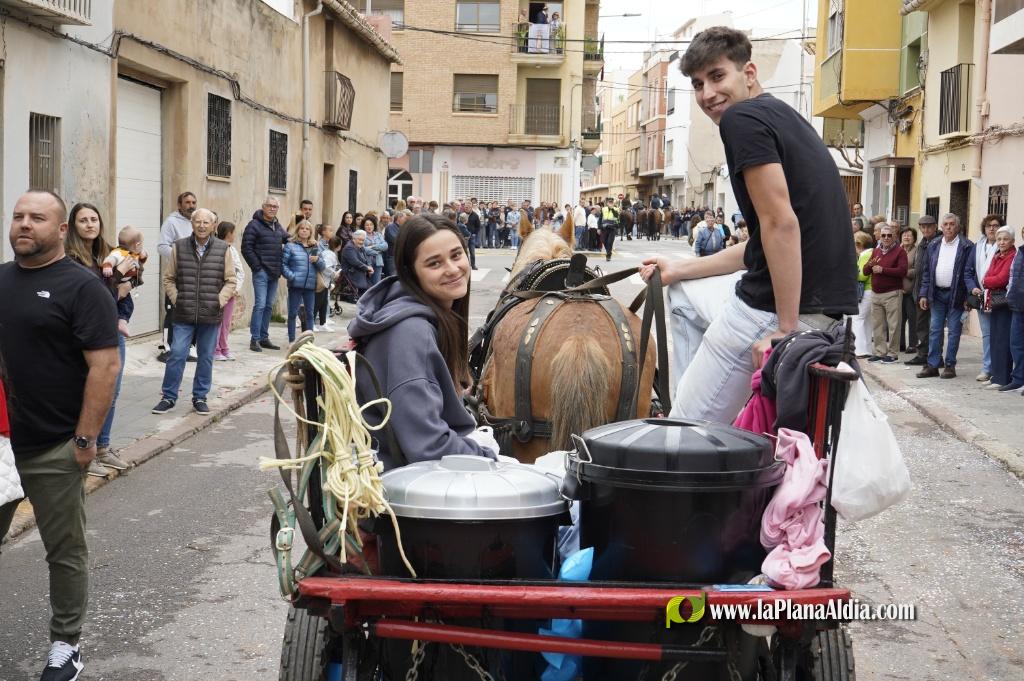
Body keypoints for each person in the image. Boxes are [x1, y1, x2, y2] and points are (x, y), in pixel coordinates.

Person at [640, 26, 857, 423]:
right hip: (824, 309)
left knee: (687, 433)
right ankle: (698, 390)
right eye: (698, 84)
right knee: (683, 294)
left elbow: (780, 225)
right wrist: (678, 268)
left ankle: (690, 412)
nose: (707, 94)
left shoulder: (741, 120)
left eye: (718, 76)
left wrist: (786, 331)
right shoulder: (781, 115)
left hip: (777, 311)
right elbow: (763, 243)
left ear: (749, 73)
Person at [0, 190, 121, 681]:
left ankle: (66, 645)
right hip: (4, 445)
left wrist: (86, 440)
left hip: (55, 444)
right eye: (18, 216)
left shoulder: (83, 287)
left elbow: (105, 366)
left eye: (37, 218)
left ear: (61, 229)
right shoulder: (2, 281)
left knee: (64, 549)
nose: (24, 224)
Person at [347, 213, 497, 470]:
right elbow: (429, 446)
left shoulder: (418, 318)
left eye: (456, 255)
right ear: (411, 272)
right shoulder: (411, 333)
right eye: (434, 263)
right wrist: (489, 456)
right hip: (400, 486)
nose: (452, 269)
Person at [65, 203, 134, 477]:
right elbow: (95, 296)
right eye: (83, 220)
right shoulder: (71, 258)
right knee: (90, 393)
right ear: (73, 226)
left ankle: (103, 446)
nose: (90, 224)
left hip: (112, 330)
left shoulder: (106, 253)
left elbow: (127, 282)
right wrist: (118, 282)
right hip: (90, 334)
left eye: (94, 219)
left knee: (112, 392)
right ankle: (87, 447)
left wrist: (130, 276)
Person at [152, 208, 238, 415]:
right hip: (183, 313)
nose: (201, 226)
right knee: (177, 354)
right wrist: (177, 299)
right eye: (197, 222)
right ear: (192, 224)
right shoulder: (179, 247)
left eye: (205, 222)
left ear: (213, 225)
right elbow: (169, 278)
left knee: (206, 356)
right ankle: (169, 397)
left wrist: (219, 301)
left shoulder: (223, 248)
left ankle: (200, 397)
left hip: (210, 314)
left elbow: (231, 280)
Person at [917, 213, 977, 379]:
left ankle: (950, 365)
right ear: (941, 227)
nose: (949, 227)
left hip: (956, 295)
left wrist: (967, 297)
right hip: (936, 293)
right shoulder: (934, 244)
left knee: (954, 331)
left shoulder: (967, 246)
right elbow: (927, 272)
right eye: (946, 224)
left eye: (952, 224)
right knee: (934, 330)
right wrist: (923, 293)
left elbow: (969, 273)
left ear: (958, 227)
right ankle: (933, 365)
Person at [242, 197, 289, 353]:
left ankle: (264, 337)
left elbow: (287, 239)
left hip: (274, 273)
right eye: (269, 206)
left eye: (275, 207)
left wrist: (307, 240)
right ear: (263, 207)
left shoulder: (277, 225)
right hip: (261, 272)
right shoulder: (254, 225)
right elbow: (246, 248)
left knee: (269, 306)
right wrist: (257, 267)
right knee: (260, 305)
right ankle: (254, 339)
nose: (272, 209)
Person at [157, 191, 197, 360]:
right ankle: (167, 348)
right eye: (187, 202)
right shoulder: (171, 222)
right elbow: (161, 246)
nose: (191, 205)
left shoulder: (198, 222)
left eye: (193, 202)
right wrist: (180, 257)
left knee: (191, 312)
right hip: (176, 275)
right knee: (172, 311)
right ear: (179, 205)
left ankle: (189, 348)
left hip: (194, 275)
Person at [864, 223, 908, 363]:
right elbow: (866, 271)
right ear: (880, 237)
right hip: (876, 293)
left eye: (889, 235)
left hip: (892, 293)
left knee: (893, 325)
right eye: (884, 235)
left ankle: (893, 354)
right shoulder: (876, 251)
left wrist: (883, 270)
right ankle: (880, 352)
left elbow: (902, 271)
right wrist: (870, 265)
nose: (886, 238)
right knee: (877, 325)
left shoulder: (900, 251)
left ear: (895, 236)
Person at [982, 226, 1017, 390]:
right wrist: (989, 280)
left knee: (1003, 340)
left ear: (1012, 241)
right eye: (999, 239)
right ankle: (995, 375)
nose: (1002, 242)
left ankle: (1003, 378)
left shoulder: (1012, 256)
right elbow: (986, 276)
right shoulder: (997, 256)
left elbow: (1001, 279)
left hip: (1004, 302)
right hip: (994, 301)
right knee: (994, 338)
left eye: (1005, 239)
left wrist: (989, 281)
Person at [282, 220, 326, 343]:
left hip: (310, 286)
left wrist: (317, 260)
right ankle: (291, 340)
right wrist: (292, 276)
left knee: (310, 314)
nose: (304, 231)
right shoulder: (290, 245)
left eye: (307, 229)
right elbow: (283, 265)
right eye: (302, 228)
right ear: (298, 230)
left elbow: (322, 267)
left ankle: (308, 342)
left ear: (311, 232)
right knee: (292, 314)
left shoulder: (315, 247)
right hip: (295, 285)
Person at [972, 215, 1003, 382]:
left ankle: (998, 368)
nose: (992, 228)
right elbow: (968, 271)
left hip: (998, 296)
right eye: (989, 226)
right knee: (986, 334)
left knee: (999, 334)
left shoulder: (1003, 247)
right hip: (980, 296)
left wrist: (989, 283)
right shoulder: (977, 247)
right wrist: (972, 287)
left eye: (996, 225)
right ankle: (987, 367)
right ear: (984, 228)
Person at [905, 215, 939, 365]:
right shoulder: (922, 243)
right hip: (918, 291)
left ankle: (935, 357)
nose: (926, 229)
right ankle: (922, 354)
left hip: (932, 291)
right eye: (923, 227)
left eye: (929, 226)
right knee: (921, 326)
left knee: (934, 327)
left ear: (935, 227)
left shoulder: (939, 242)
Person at [214, 221, 245, 360]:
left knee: (226, 322)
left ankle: (224, 348)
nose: (234, 235)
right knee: (217, 322)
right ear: (227, 233)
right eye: (233, 232)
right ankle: (215, 350)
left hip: (231, 292)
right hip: (218, 292)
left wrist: (235, 289)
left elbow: (240, 271)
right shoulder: (215, 248)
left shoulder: (232, 249)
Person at [850, 231, 875, 358]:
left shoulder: (865, 255)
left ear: (859, 244)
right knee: (867, 321)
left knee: (857, 319)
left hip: (866, 290)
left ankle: (859, 350)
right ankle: (868, 350)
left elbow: (862, 276)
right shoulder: (873, 252)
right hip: (873, 290)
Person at [1005, 226, 1024, 394]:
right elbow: (1012, 275)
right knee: (1016, 343)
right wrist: (1010, 294)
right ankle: (1018, 379)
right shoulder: (1021, 252)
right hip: (1018, 304)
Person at [899, 227, 919, 353]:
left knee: (913, 319)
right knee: (899, 320)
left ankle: (913, 345)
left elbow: (918, 270)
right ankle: (900, 344)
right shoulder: (897, 251)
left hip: (911, 292)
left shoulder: (917, 251)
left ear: (914, 239)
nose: (906, 237)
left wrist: (902, 272)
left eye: (909, 235)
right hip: (897, 291)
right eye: (904, 235)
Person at [342, 229, 374, 298]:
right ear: (354, 239)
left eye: (363, 240)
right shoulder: (349, 247)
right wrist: (367, 268)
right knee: (368, 292)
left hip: (360, 272)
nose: (361, 242)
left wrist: (369, 267)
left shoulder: (361, 247)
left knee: (373, 290)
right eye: (360, 240)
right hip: (351, 273)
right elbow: (355, 262)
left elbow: (366, 260)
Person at [362, 215, 387, 285]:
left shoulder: (378, 235)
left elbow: (385, 246)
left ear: (374, 225)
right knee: (368, 284)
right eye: (367, 225)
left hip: (378, 262)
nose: (369, 227)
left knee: (377, 284)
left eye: (371, 225)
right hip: (367, 262)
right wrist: (378, 251)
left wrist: (372, 246)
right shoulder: (362, 235)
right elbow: (363, 249)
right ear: (364, 226)